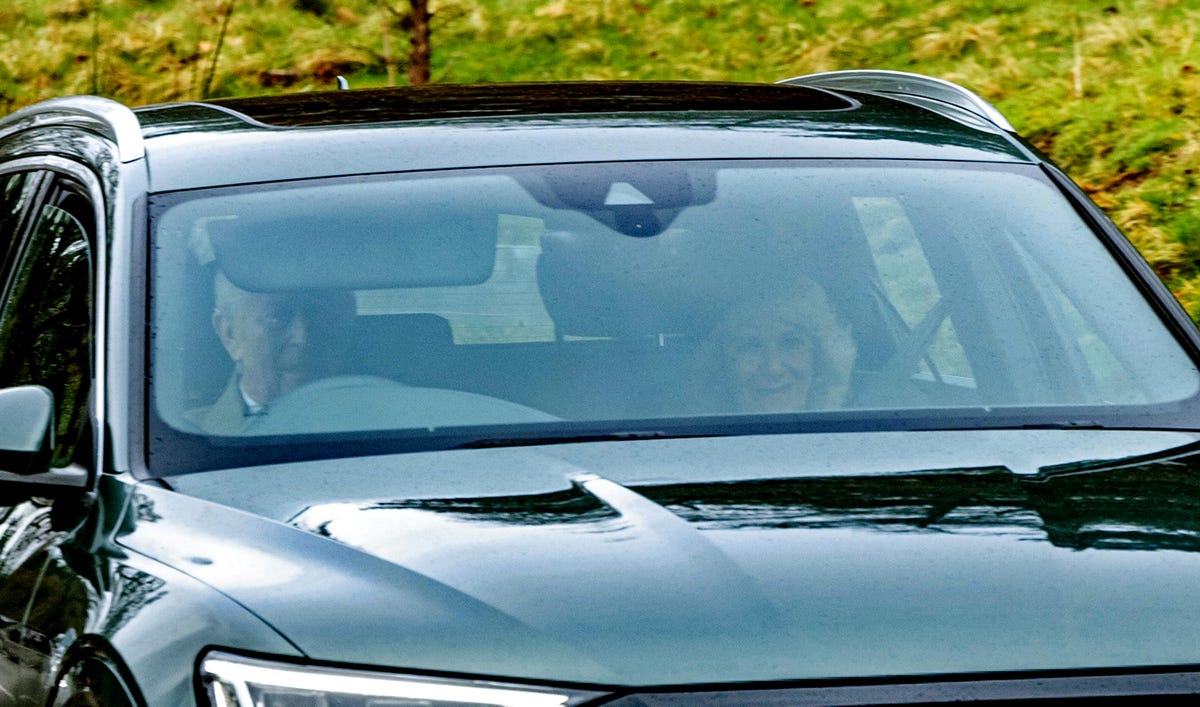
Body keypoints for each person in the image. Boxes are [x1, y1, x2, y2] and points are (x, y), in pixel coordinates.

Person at [186, 271, 354, 434]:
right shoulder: (187, 438)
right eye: (276, 318)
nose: (301, 338)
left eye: (319, 314)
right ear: (230, 334)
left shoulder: (375, 419)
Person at [689, 276, 856, 414]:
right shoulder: (690, 438)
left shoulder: (860, 433)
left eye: (790, 343)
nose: (773, 368)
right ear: (720, 364)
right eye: (750, 346)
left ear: (820, 357)